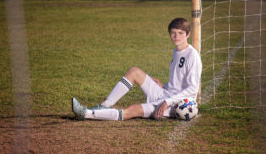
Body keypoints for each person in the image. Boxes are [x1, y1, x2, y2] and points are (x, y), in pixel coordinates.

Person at [72, 17, 202, 121]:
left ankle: (86, 114)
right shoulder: (176, 51)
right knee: (134, 71)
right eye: (173, 33)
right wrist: (164, 85)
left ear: (188, 34)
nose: (176, 36)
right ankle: (104, 106)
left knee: (132, 110)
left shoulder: (192, 56)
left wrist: (166, 102)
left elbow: (192, 89)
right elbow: (178, 83)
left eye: (180, 33)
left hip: (175, 103)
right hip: (165, 94)